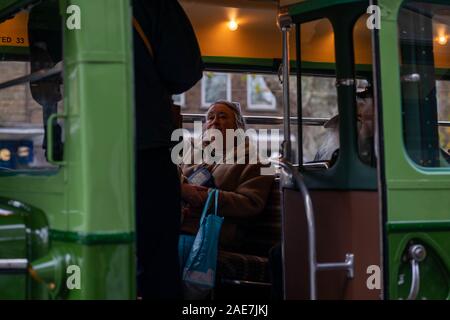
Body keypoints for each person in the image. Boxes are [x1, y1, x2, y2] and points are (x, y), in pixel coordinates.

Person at [133, 0, 204, 299]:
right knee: (158, 262)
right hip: (146, 145)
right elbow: (184, 71)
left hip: (77, 152)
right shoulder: (153, 6)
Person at [180, 100, 274, 251]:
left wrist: (206, 197)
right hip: (181, 223)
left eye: (223, 117)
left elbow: (251, 204)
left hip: (215, 232)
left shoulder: (257, 161)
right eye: (210, 117)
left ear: (239, 128)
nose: (215, 122)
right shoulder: (192, 154)